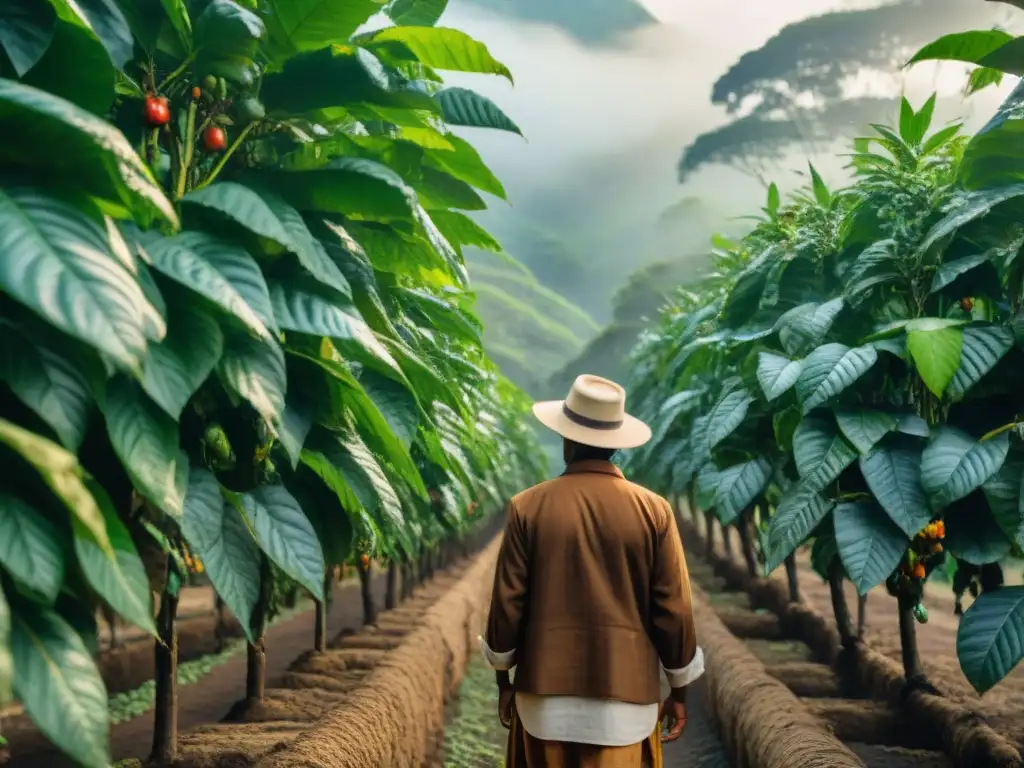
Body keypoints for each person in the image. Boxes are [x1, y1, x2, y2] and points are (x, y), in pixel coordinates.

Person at [478, 374, 704, 768]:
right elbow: (673, 609)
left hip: (543, 703)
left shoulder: (528, 507)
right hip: (626, 706)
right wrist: (679, 690)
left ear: (566, 439)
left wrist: (504, 681)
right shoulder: (654, 511)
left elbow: (507, 603)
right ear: (616, 442)